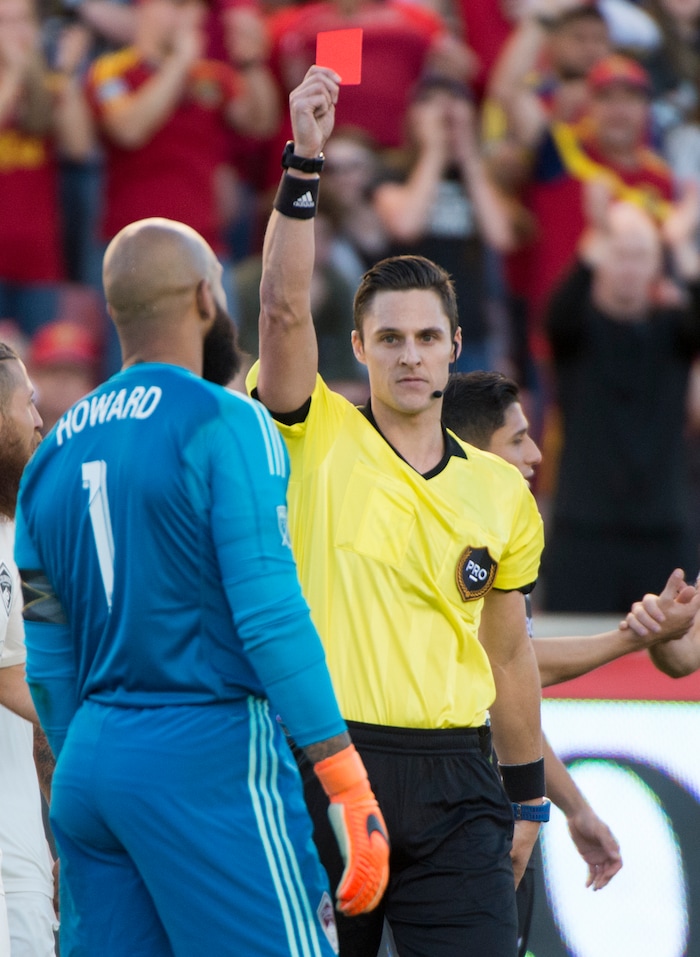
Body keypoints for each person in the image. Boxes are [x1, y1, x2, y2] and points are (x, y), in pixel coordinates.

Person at [14, 217, 389, 957]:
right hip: (207, 755)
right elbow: (270, 616)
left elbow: (49, 659)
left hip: (91, 766)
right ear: (201, 297)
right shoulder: (230, 422)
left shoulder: (49, 456)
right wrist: (346, 779)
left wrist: (98, 757)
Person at [249, 65, 547, 957]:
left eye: (426, 338)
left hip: (461, 779)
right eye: (390, 338)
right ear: (359, 346)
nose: (410, 356)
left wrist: (528, 794)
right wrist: (304, 163)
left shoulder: (501, 490)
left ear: (456, 346)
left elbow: (505, 650)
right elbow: (279, 304)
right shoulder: (317, 431)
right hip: (330, 766)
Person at [441, 368, 700, 955]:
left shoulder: (503, 535)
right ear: (471, 454)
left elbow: (513, 700)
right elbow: (502, 670)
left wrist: (574, 807)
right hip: (449, 802)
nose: (536, 454)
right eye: (518, 440)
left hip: (486, 791)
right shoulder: (452, 540)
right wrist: (632, 638)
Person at [0, 342, 57, 957]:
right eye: (27, 405)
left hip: (21, 845)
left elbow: (45, 667)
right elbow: (13, 679)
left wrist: (62, 830)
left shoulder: (30, 539)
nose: (39, 420)